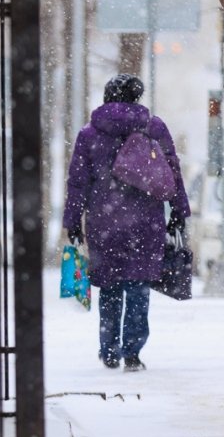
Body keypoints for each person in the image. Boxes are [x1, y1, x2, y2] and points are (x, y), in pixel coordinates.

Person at [63, 74, 191, 372]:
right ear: (137, 96)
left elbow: (78, 182)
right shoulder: (153, 128)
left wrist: (72, 221)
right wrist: (179, 212)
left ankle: (109, 349)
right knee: (137, 287)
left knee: (109, 288)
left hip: (104, 222)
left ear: (108, 97)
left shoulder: (90, 134)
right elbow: (173, 172)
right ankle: (132, 352)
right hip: (146, 222)